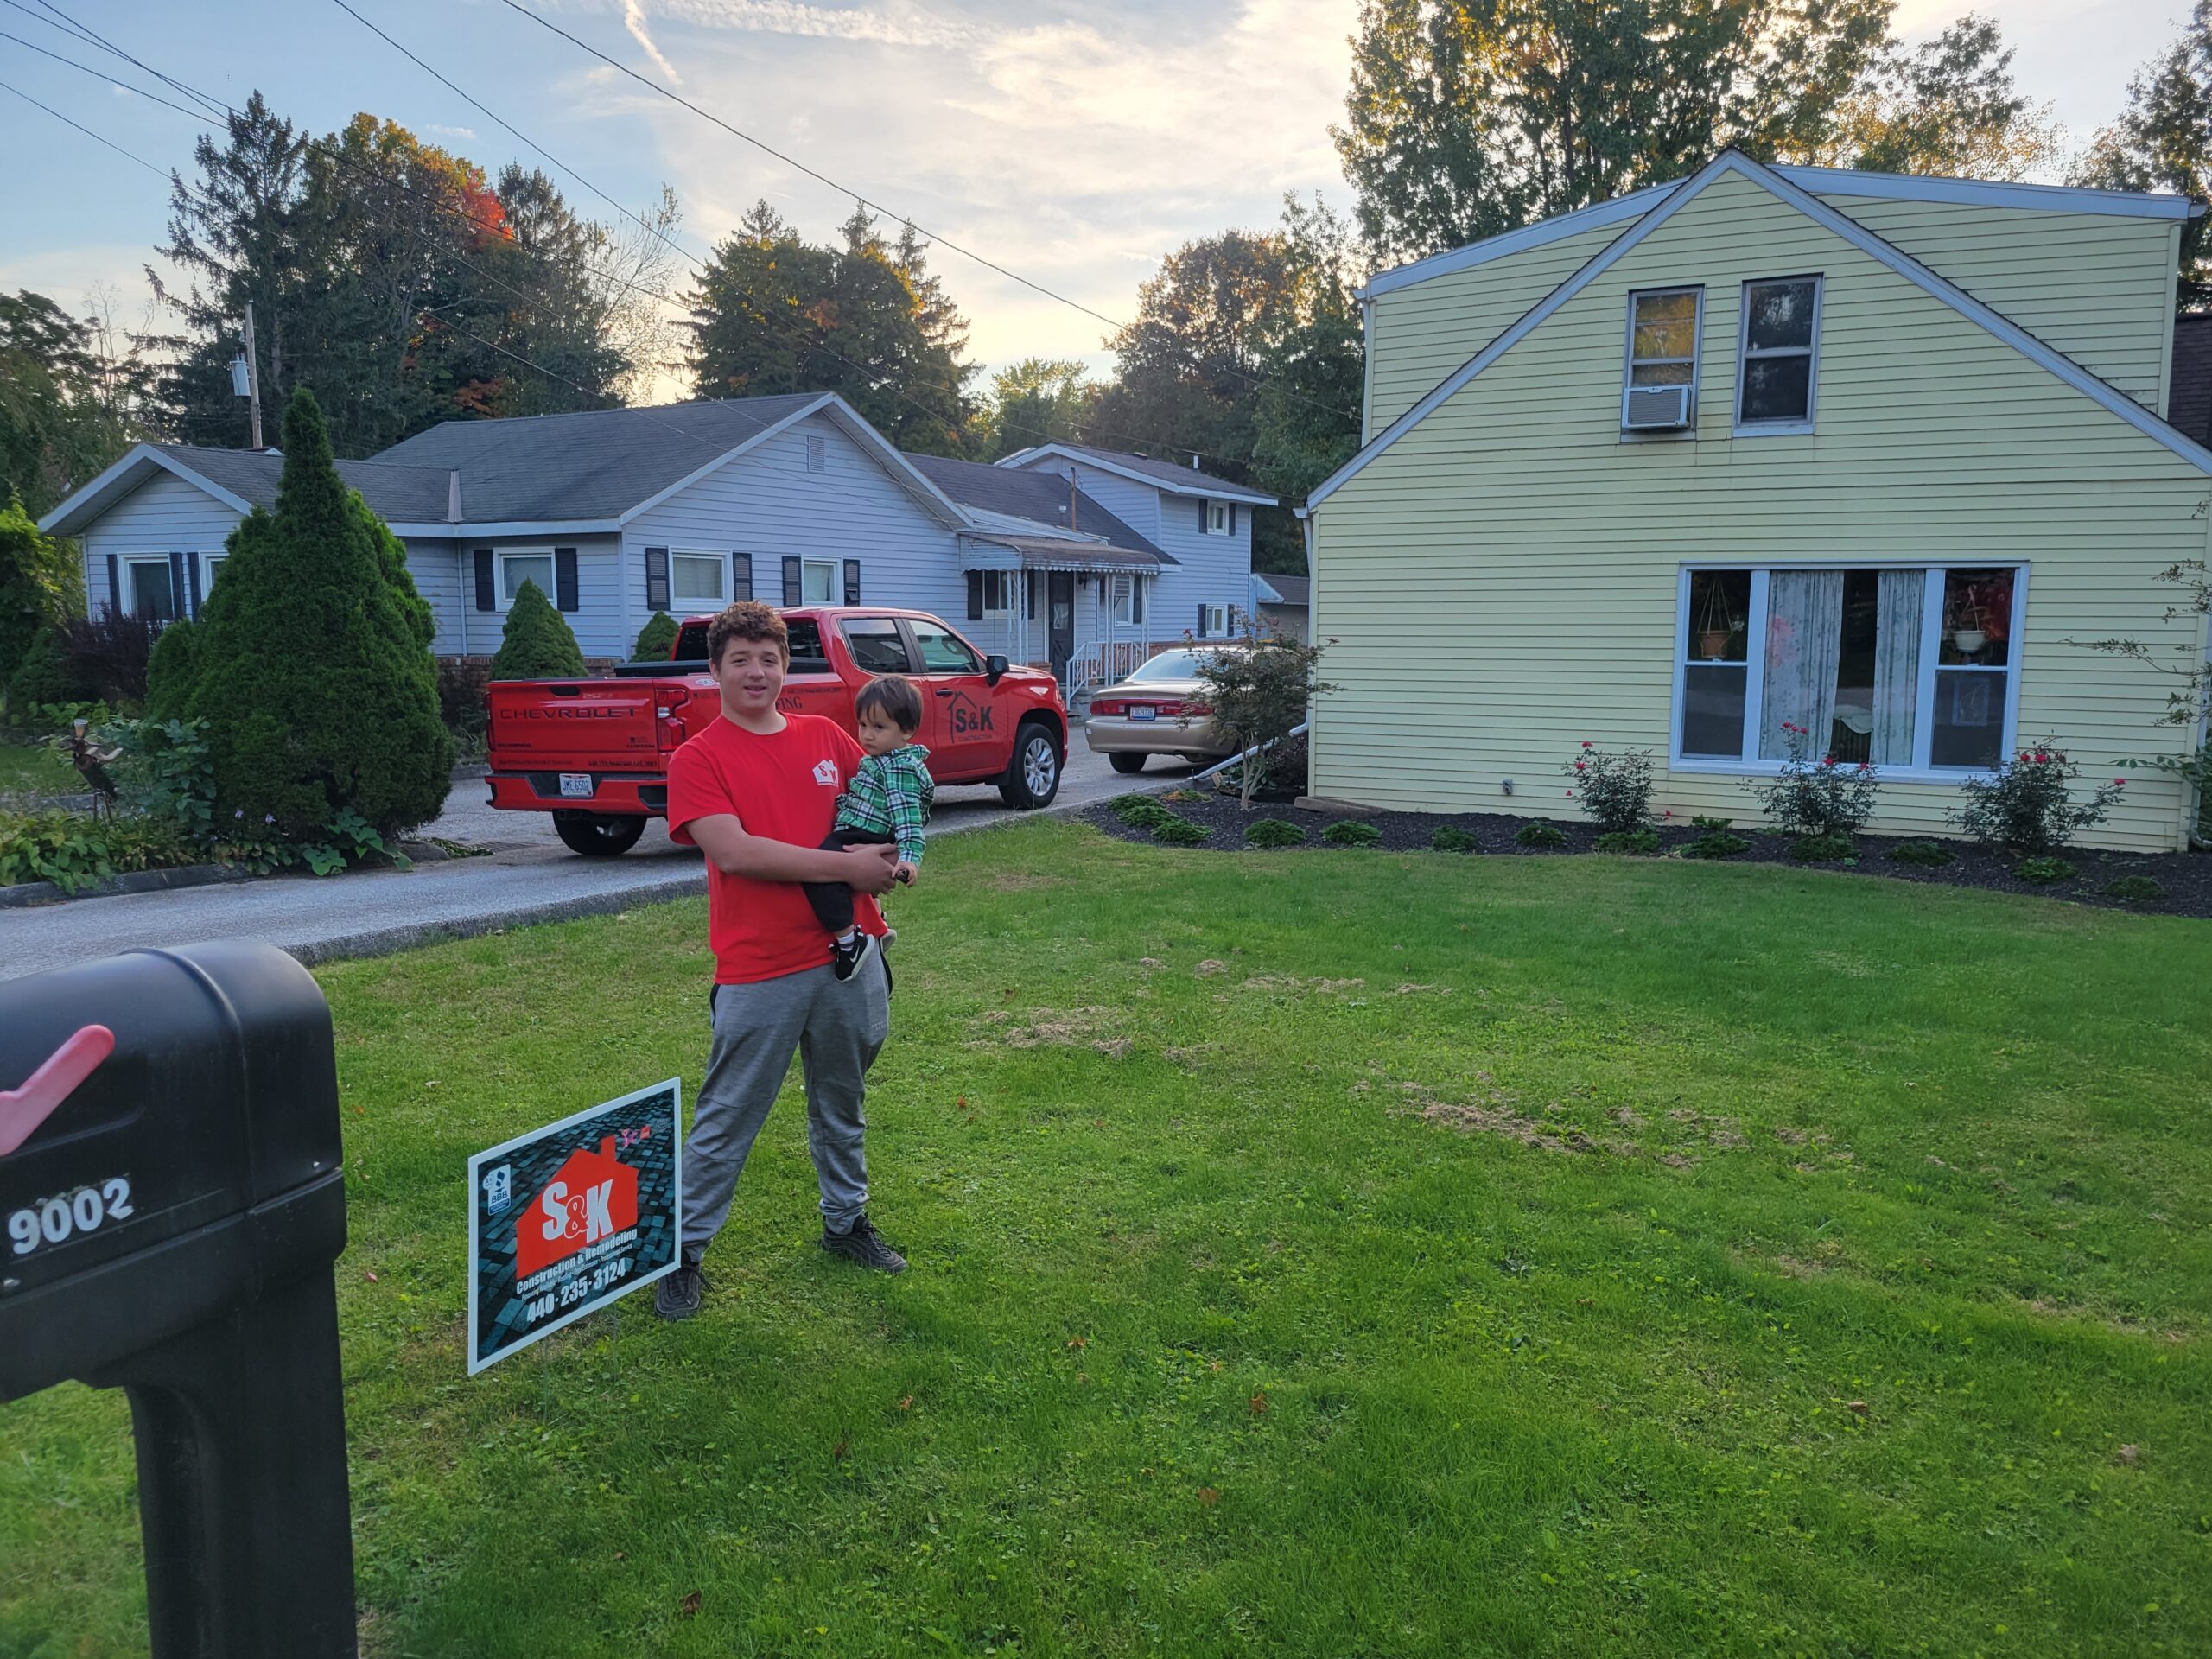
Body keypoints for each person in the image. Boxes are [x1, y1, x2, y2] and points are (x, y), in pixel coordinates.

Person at [655, 601, 906, 1323]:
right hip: (760, 967)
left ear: (785, 666)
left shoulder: (826, 735)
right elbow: (734, 852)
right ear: (716, 671)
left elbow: (885, 802)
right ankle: (685, 1254)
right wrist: (841, 868)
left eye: (768, 658)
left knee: (842, 1104)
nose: (756, 671)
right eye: (741, 659)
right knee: (727, 1116)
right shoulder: (699, 758)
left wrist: (893, 843)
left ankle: (845, 1224)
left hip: (847, 959)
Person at [806, 673, 933, 982]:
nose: (867, 735)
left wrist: (909, 859)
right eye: (863, 725)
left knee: (818, 873)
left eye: (879, 727)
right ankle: (877, 920)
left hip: (864, 835)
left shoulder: (899, 767)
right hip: (863, 830)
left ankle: (850, 941)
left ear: (907, 731)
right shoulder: (882, 760)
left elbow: (908, 820)